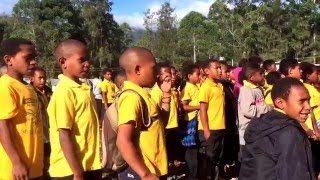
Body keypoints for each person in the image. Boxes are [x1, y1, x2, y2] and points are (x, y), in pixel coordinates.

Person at [239, 77, 313, 180]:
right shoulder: (289, 132)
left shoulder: (261, 123)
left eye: (308, 101)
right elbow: (294, 173)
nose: (308, 106)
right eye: (301, 101)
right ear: (280, 103)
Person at [48, 39, 101, 179]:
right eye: (81, 60)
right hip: (70, 170)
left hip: (89, 165)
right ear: (63, 62)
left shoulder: (83, 88)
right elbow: (64, 134)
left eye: (88, 60)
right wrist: (77, 172)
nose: (87, 64)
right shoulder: (65, 91)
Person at [116, 47, 171, 179]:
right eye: (153, 68)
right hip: (142, 172)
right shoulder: (131, 97)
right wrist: (145, 174)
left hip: (154, 169)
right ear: (138, 70)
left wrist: (166, 94)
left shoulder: (144, 94)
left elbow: (161, 121)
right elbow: (123, 140)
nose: (157, 73)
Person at [0, 38, 43, 179]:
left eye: (34, 58)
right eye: (28, 58)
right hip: (14, 170)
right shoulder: (6, 86)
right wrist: (16, 162)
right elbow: (2, 126)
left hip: (33, 165)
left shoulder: (28, 87)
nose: (33, 62)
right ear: (9, 60)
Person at [198, 59, 225, 179]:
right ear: (207, 71)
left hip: (220, 127)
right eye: (216, 68)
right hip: (210, 128)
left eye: (220, 68)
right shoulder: (205, 87)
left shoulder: (219, 85)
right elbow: (202, 109)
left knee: (218, 156)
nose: (220, 70)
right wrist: (206, 130)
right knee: (209, 158)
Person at [238, 63, 272, 152]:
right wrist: (268, 108)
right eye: (260, 74)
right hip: (248, 130)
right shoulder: (246, 90)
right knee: (248, 156)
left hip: (257, 129)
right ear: (251, 77)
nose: (263, 75)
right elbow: (248, 111)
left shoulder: (257, 88)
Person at [219, 61, 240, 178]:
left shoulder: (228, 85)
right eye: (226, 71)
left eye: (229, 71)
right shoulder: (220, 87)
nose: (228, 74)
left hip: (231, 123)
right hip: (223, 123)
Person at [180, 63, 201, 179]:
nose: (199, 76)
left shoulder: (196, 86)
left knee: (196, 149)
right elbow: (184, 107)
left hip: (197, 120)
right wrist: (199, 107)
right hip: (190, 122)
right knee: (191, 149)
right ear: (189, 76)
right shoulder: (187, 88)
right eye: (197, 74)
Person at [30, 66, 51, 179]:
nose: (43, 80)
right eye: (40, 78)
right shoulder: (29, 93)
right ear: (32, 78)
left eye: (44, 78)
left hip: (49, 132)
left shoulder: (49, 91)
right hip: (37, 134)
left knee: (48, 161)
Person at [300, 62, 320, 179]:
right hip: (314, 125)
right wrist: (315, 130)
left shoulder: (313, 87)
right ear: (308, 76)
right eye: (316, 73)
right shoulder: (307, 89)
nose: (318, 76)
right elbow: (311, 112)